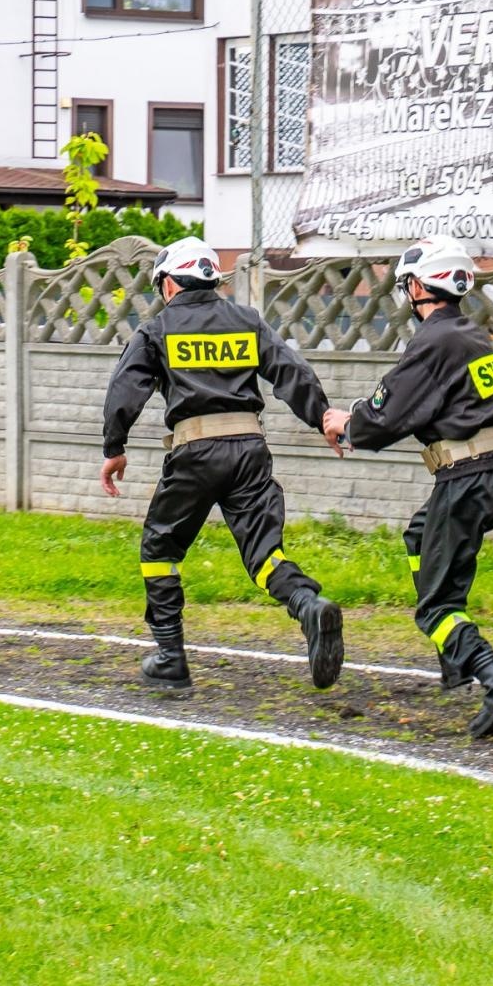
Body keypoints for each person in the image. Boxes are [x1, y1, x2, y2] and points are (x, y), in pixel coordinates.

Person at [100, 236, 344, 693]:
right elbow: (291, 371)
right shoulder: (246, 320)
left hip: (194, 454)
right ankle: (308, 604)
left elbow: (124, 390)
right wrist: (322, 418)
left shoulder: (157, 330)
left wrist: (114, 448)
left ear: (170, 283)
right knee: (265, 555)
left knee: (160, 551)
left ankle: (171, 659)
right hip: (250, 450)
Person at [322, 235, 493, 739]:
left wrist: (346, 423)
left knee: (435, 605)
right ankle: (453, 658)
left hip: (468, 478)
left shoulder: (434, 341)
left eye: (405, 286)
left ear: (417, 286)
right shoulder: (470, 334)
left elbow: (388, 413)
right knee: (420, 537)